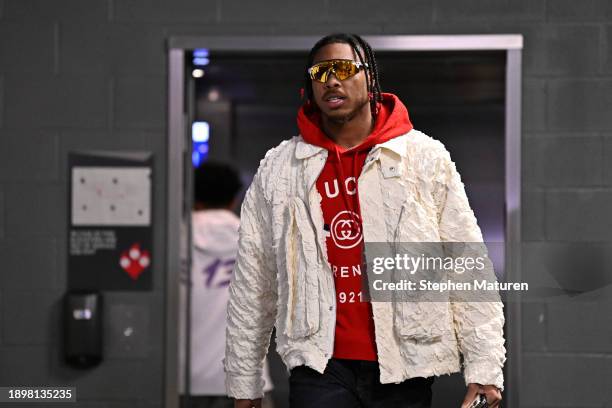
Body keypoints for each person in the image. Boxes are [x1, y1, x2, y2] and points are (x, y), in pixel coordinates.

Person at [224, 33, 506, 408]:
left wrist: (484, 367)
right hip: (319, 367)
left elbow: (465, 264)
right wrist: (245, 382)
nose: (332, 80)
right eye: (320, 73)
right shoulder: (281, 167)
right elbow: (253, 279)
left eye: (343, 68)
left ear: (370, 78)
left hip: (404, 365)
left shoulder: (422, 157)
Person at [180, 162, 274, 408]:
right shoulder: (257, 240)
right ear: (234, 199)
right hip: (245, 381)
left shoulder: (174, 238)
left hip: (180, 378)